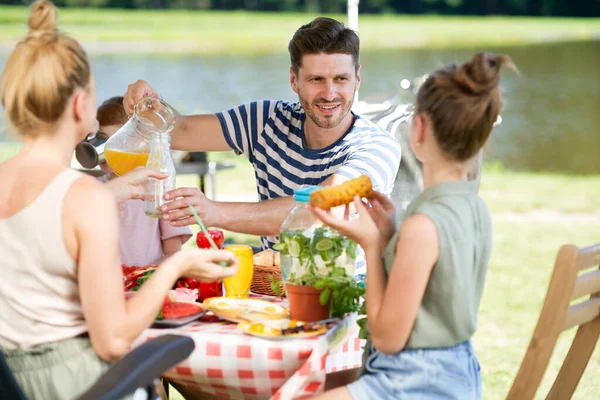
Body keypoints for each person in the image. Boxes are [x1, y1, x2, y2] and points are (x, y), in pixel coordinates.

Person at [0, 2, 237, 398]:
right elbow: (112, 340)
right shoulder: (85, 201)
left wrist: (116, 190)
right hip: (79, 386)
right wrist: (178, 262)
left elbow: (46, 217)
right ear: (79, 105)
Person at [123, 16, 402, 276]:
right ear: (294, 80)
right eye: (316, 79)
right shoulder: (266, 120)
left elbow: (319, 210)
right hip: (271, 289)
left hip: (347, 297)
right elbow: (181, 131)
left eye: (340, 79)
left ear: (357, 78)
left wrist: (215, 212)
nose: (329, 94)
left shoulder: (378, 147)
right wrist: (149, 105)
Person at [310, 52, 516, 399]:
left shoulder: (423, 225)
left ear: (418, 128)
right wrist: (390, 234)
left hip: (415, 381)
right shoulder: (472, 207)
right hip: (459, 372)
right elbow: (435, 290)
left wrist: (373, 247)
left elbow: (389, 339)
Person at [96, 96, 192, 266]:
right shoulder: (92, 190)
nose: (108, 150)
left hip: (144, 285)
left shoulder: (159, 189)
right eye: (102, 139)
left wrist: (142, 277)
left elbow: (173, 254)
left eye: (119, 142)